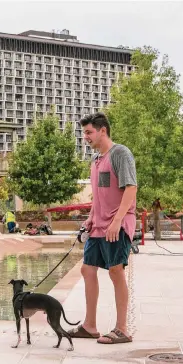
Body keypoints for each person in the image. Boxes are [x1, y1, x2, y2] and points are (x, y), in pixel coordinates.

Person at [68, 113, 137, 344]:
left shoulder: (120, 153)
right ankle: (90, 326)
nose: (85, 137)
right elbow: (99, 197)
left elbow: (130, 189)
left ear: (103, 130)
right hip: (98, 227)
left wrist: (117, 221)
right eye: (84, 133)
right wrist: (90, 217)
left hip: (116, 226)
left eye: (88, 132)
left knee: (116, 271)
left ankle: (122, 329)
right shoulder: (96, 161)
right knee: (88, 270)